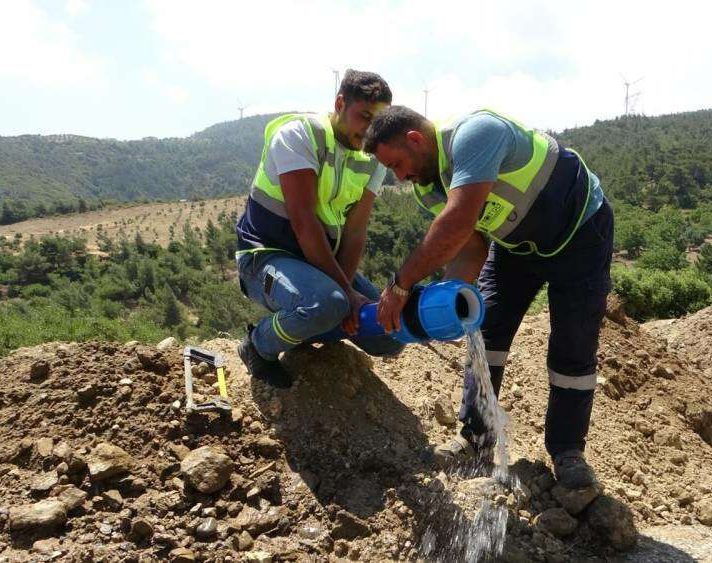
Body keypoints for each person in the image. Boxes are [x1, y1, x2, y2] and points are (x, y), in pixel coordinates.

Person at [363, 106, 613, 489]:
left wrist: (401, 285)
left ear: (415, 139)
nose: (400, 176)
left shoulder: (476, 133)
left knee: (573, 345)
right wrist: (449, 303)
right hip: (516, 246)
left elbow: (458, 220)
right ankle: (476, 437)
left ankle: (567, 451)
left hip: (579, 233)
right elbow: (469, 247)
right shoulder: (427, 188)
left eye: (397, 164)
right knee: (488, 329)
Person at [235, 70, 403, 389]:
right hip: (267, 258)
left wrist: (350, 293)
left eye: (377, 121)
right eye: (363, 116)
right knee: (326, 304)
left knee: (389, 336)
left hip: (320, 264)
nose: (370, 129)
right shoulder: (299, 135)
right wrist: (345, 295)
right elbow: (304, 222)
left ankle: (304, 326)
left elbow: (355, 231)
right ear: (340, 103)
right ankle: (259, 344)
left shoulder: (373, 159)